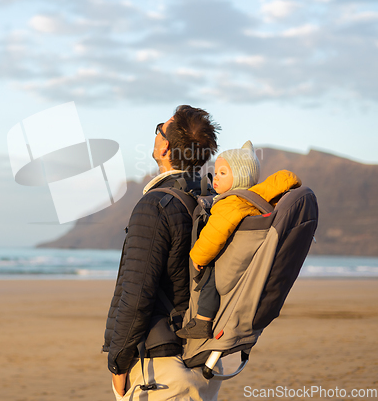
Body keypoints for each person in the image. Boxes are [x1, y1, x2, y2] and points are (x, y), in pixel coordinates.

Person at [103, 105, 222, 401]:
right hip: (204, 360)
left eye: (159, 127)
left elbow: (136, 292)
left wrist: (118, 363)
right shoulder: (211, 202)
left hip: (162, 370)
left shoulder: (156, 206)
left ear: (165, 146)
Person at [177, 141, 301, 339]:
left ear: (241, 176)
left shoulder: (231, 204)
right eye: (216, 173)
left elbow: (214, 235)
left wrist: (198, 257)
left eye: (223, 173)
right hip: (250, 262)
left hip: (230, 267)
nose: (216, 177)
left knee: (209, 274)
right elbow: (285, 179)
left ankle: (202, 320)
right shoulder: (256, 198)